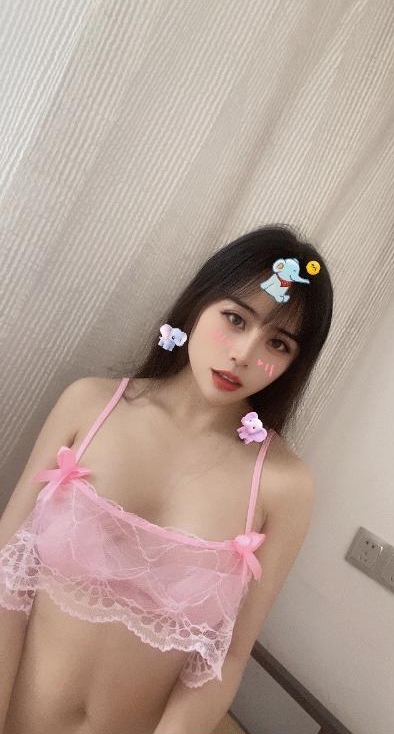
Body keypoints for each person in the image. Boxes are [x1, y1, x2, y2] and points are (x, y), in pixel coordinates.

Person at [0, 223, 333, 734]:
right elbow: (7, 579)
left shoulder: (284, 485)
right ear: (198, 304)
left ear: (294, 364)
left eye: (278, 343)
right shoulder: (89, 404)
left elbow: (229, 659)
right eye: (235, 319)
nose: (244, 354)